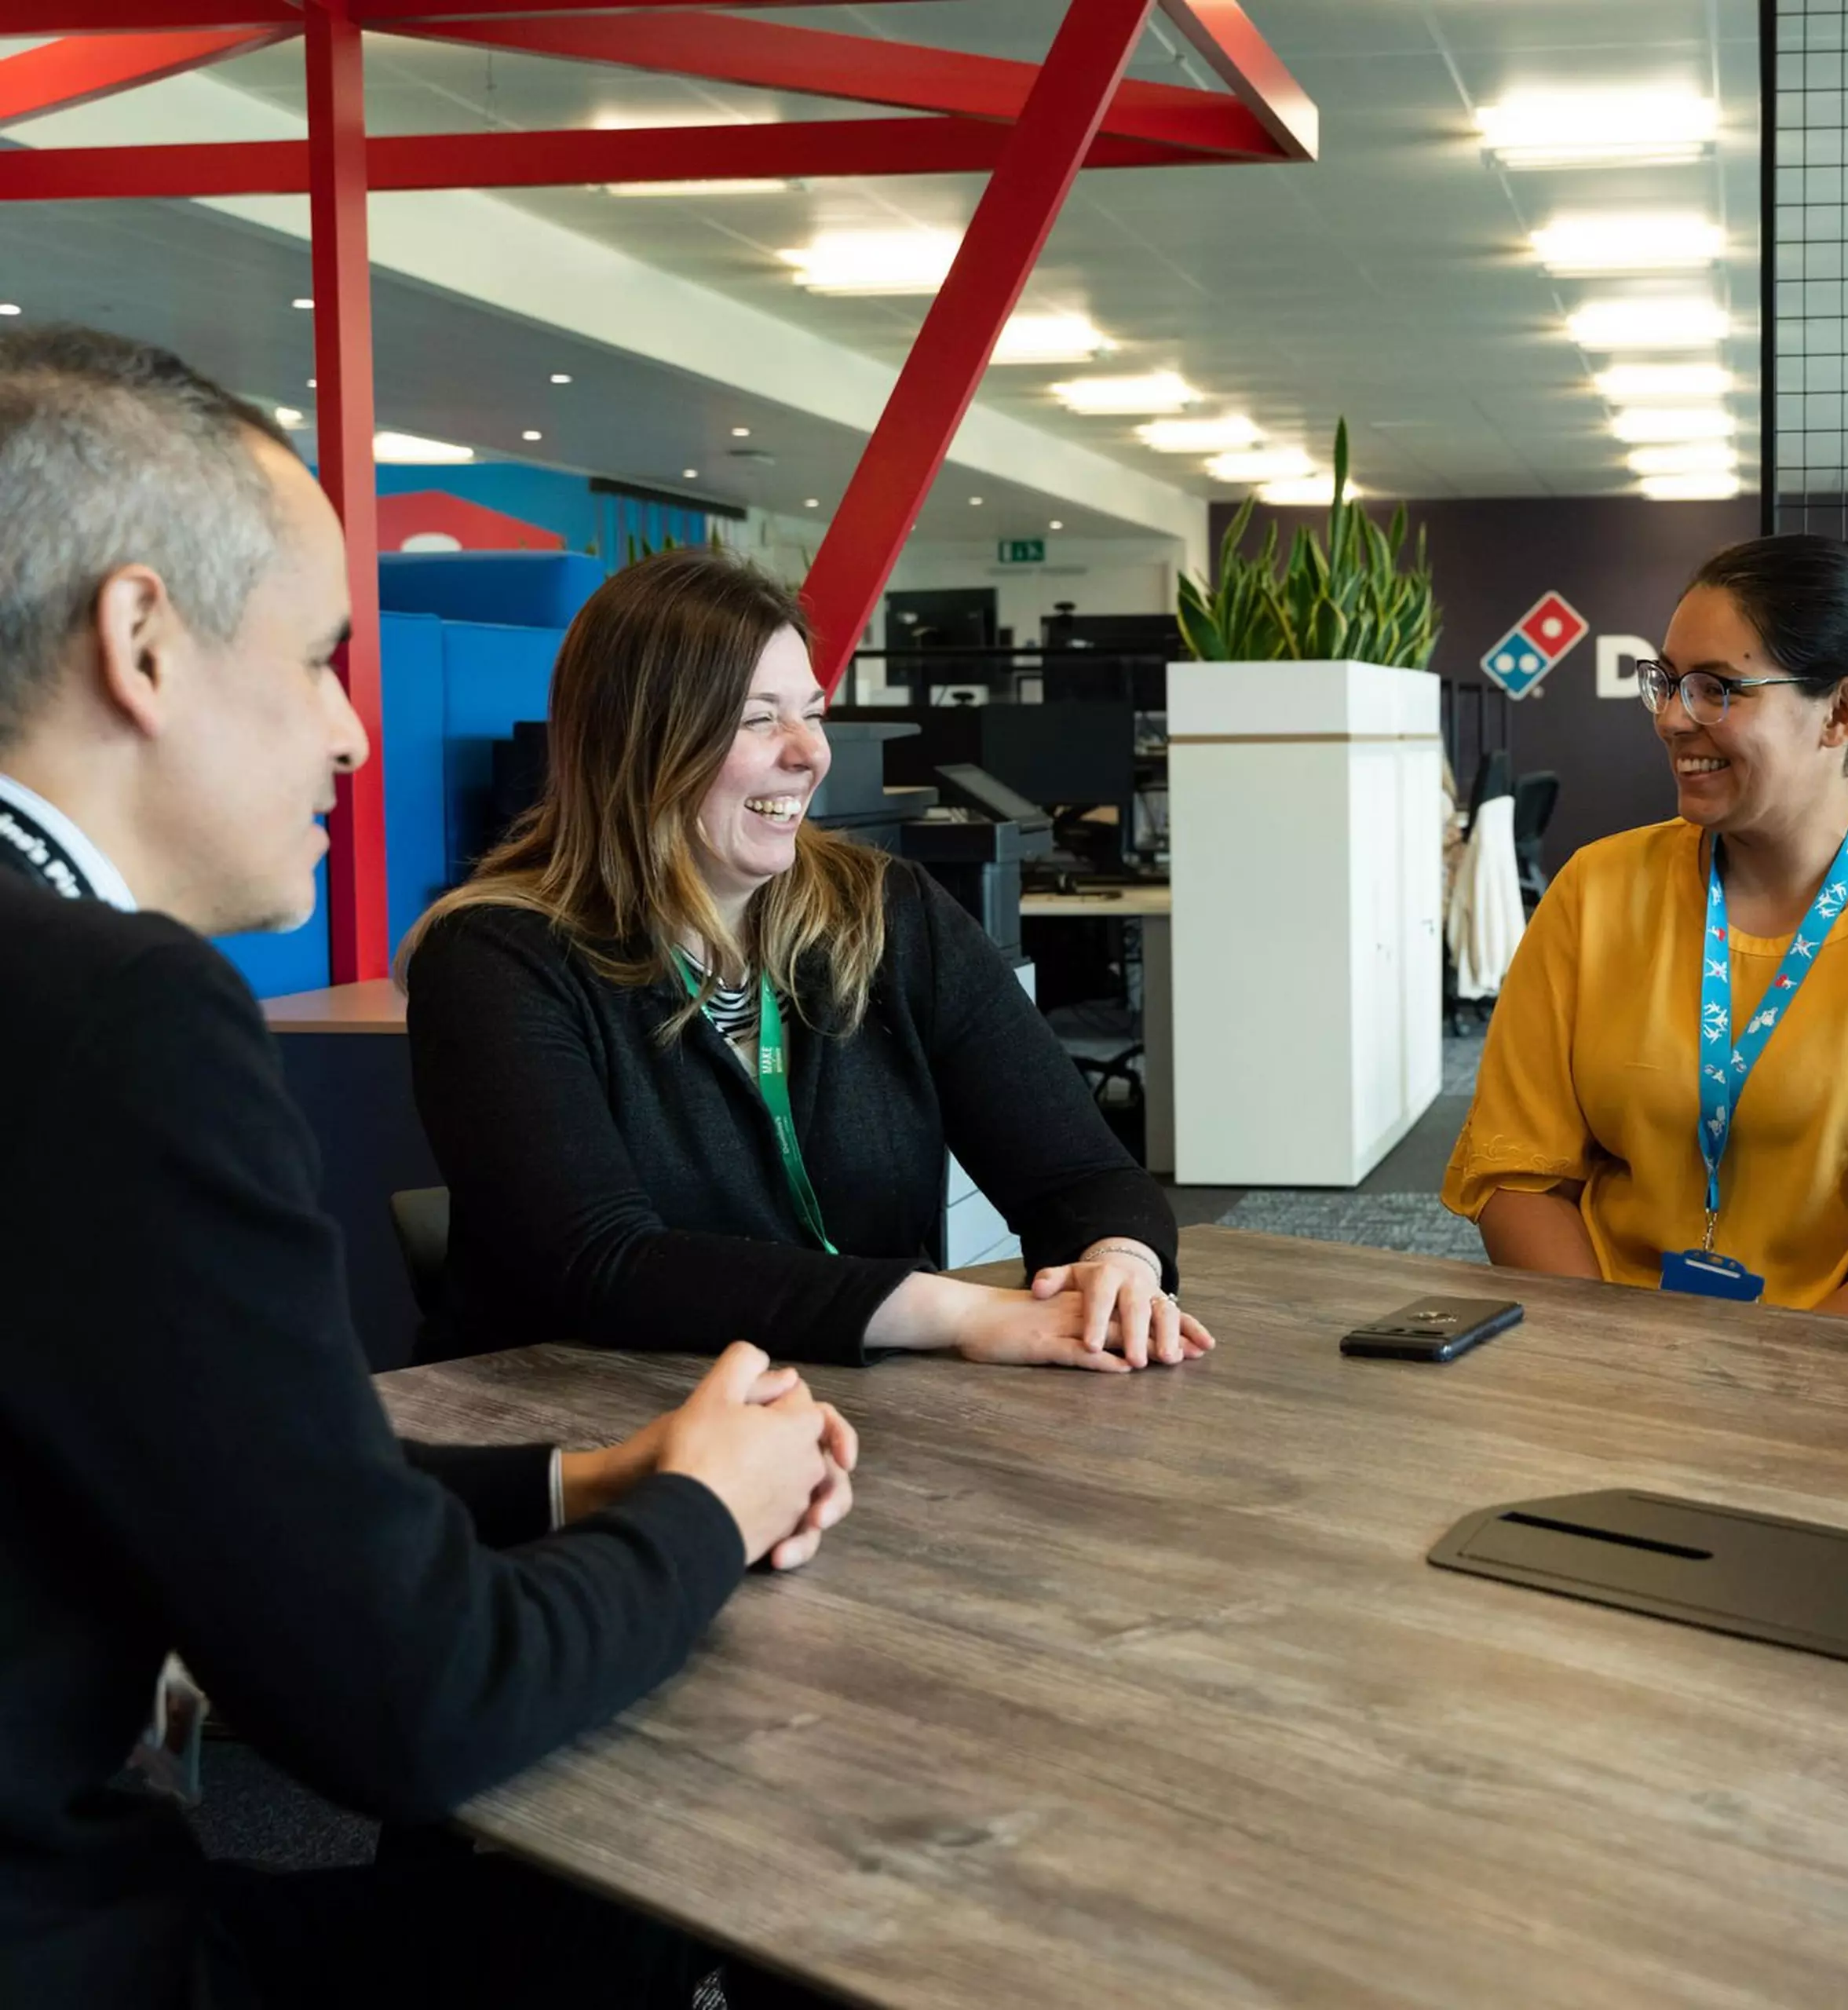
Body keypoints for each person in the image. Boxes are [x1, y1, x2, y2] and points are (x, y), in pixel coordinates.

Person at [0, 324, 856, 2008]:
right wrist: (706, 1504)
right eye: (322, 657)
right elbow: (411, 1699)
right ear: (142, 642)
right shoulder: (115, 1019)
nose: (351, 737)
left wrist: (577, 1485)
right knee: (619, 1919)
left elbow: (191, 1481)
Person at [401, 550, 1211, 1374]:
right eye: (759, 719)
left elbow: (1078, 1170)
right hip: (586, 1427)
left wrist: (1122, 1264)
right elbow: (600, 1262)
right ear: (640, 743)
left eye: (813, 714)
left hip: (840, 1420)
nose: (809, 754)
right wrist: (956, 1310)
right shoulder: (496, 957)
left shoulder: (889, 912)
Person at [1443, 532, 1848, 1330]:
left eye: (1718, 688)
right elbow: (1518, 1172)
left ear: (1842, 712)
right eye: (1668, 682)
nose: (1674, 718)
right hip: (1608, 1368)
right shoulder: (1594, 894)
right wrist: (1617, 1359)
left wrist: (1748, 1393)